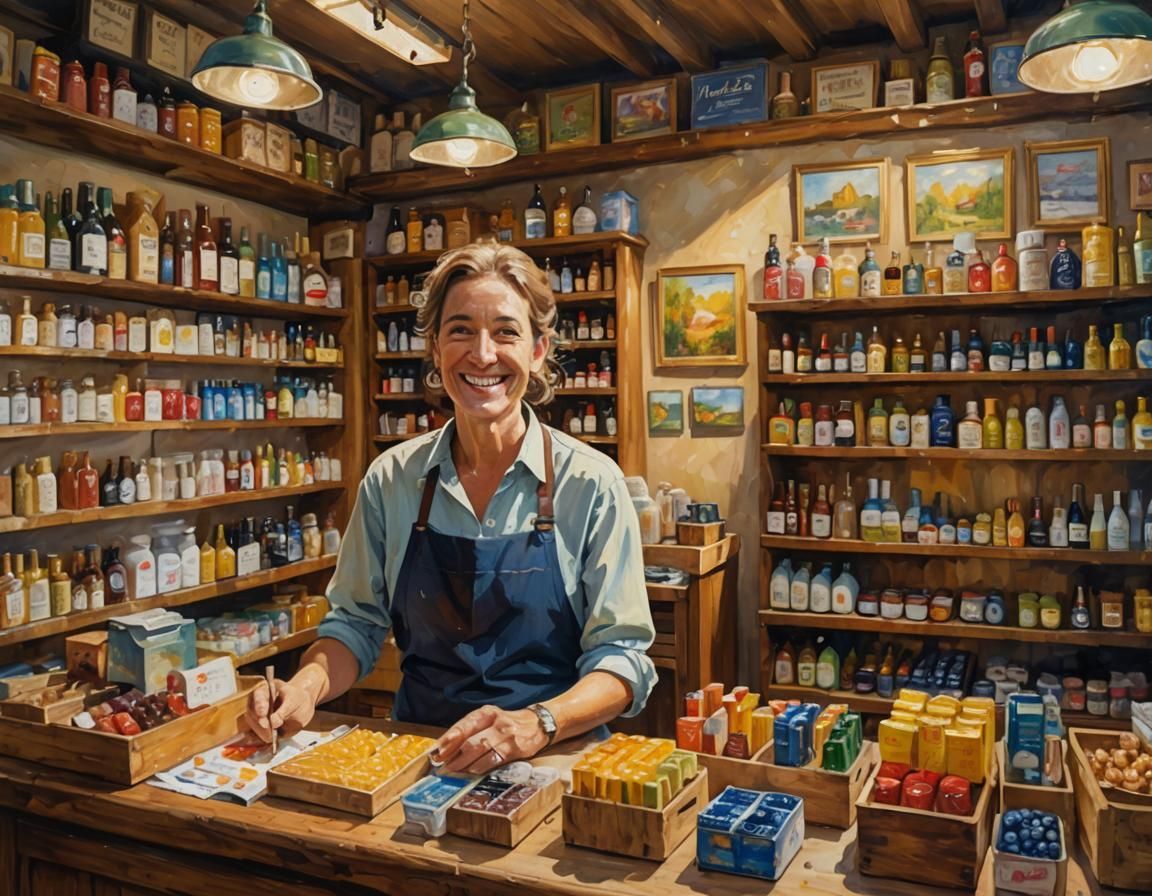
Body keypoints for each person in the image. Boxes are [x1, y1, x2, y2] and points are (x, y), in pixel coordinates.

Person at [246, 242, 656, 775]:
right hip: (420, 753)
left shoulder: (591, 483)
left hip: (552, 758)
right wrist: (305, 687)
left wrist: (539, 722)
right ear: (436, 349)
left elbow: (623, 659)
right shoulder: (392, 479)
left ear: (537, 352)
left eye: (506, 331)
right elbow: (354, 625)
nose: (482, 355)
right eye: (460, 329)